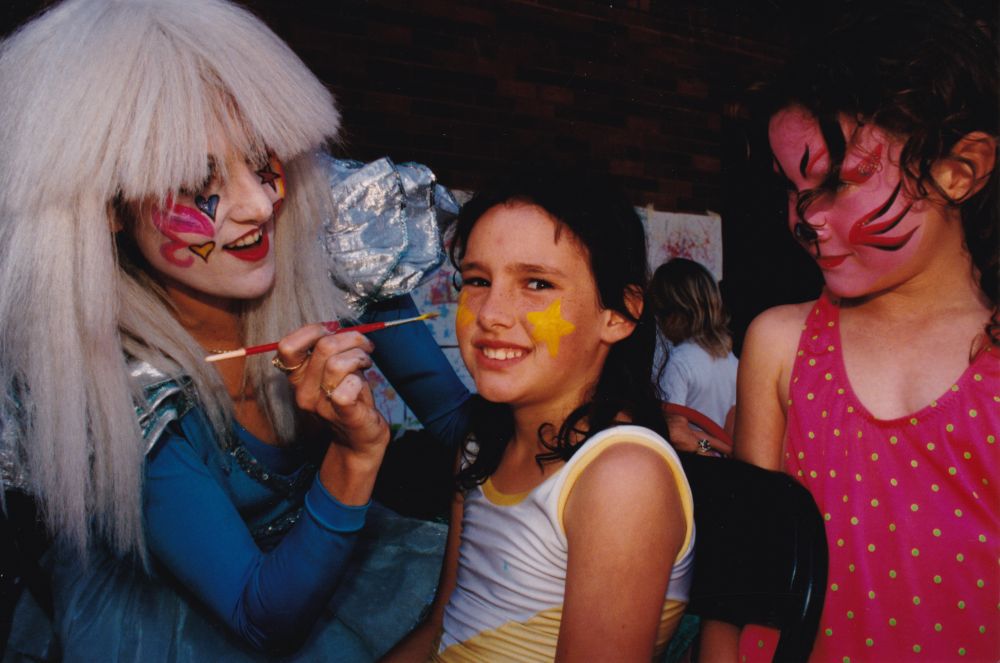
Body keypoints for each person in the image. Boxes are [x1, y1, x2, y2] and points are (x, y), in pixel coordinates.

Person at [0, 0, 470, 660]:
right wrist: (353, 453)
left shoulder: (334, 257)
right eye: (198, 180)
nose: (257, 204)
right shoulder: (119, 389)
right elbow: (259, 618)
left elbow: (464, 431)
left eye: (259, 159)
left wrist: (584, 407)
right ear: (110, 212)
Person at [733, 1, 998, 661]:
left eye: (840, 181)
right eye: (793, 188)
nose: (807, 218)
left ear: (959, 171)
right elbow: (744, 569)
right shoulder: (781, 344)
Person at [383, 167, 696, 662]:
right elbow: (444, 624)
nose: (490, 313)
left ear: (619, 315)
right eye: (477, 280)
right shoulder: (479, 446)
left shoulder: (620, 477)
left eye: (536, 283)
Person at [648, 258, 738, 456]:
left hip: (695, 465)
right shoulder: (730, 360)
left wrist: (710, 446)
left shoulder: (680, 361)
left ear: (675, 315)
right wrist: (723, 448)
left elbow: (678, 436)